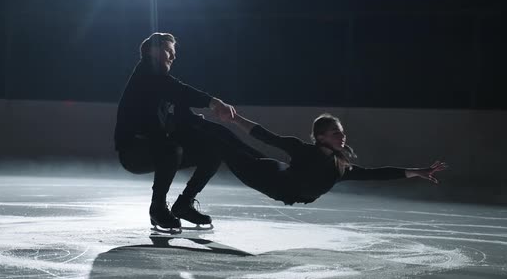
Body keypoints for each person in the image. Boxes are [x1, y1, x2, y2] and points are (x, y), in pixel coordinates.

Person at [114, 32, 235, 231]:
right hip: (134, 151)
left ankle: (184, 205)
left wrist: (195, 122)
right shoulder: (146, 72)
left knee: (212, 151)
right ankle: (158, 208)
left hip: (155, 146)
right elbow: (180, 91)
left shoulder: (160, 80)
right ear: (153, 50)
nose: (173, 56)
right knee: (171, 149)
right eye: (169, 51)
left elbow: (177, 108)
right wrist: (214, 103)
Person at [193, 112, 447, 205]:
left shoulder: (341, 167)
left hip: (276, 179)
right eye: (336, 133)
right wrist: (235, 118)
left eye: (343, 133)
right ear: (321, 137)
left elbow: (375, 172)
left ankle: (203, 126)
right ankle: (193, 124)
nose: (342, 137)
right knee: (223, 143)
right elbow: (266, 136)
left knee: (229, 145)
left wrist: (415, 171)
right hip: (267, 177)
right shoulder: (303, 150)